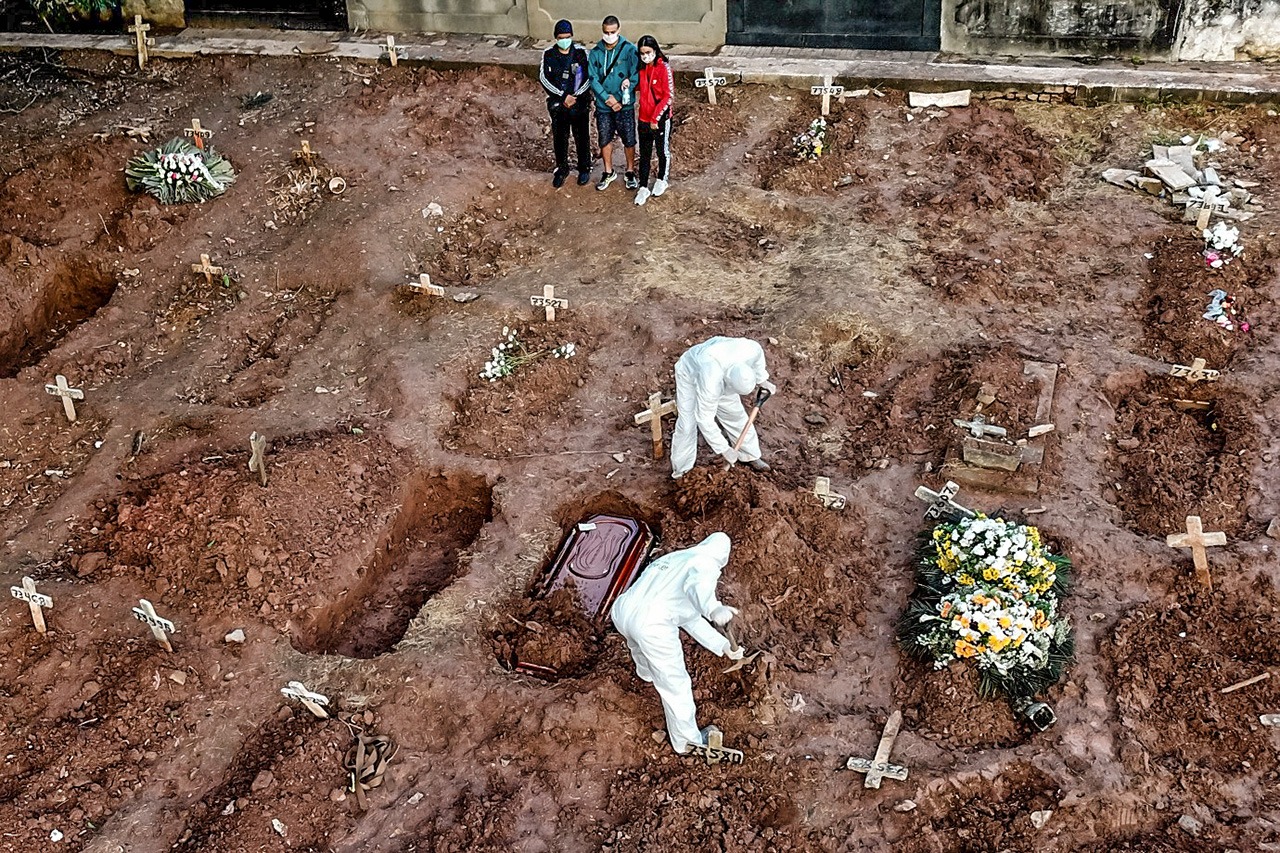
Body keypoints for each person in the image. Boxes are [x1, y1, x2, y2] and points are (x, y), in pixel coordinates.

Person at [610, 532, 743, 754]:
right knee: (675, 685)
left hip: (622, 611)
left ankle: (646, 674)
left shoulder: (674, 559)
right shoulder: (705, 563)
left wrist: (722, 646)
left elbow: (690, 619)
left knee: (639, 647)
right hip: (651, 624)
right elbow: (698, 587)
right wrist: (713, 608)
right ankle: (686, 742)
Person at [671, 336, 776, 480]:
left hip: (718, 368)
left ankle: (749, 455)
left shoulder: (750, 350)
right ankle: (682, 471)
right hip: (689, 372)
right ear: (727, 381)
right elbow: (704, 419)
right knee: (687, 424)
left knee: (735, 415)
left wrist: (762, 380)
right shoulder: (711, 380)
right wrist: (724, 449)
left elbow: (758, 359)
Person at [587, 15, 639, 192]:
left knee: (629, 139)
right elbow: (593, 79)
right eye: (606, 32)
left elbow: (635, 76)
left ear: (619, 30)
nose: (609, 36)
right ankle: (608, 171)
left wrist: (618, 98)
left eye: (612, 32)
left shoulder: (630, 51)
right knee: (604, 138)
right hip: (604, 106)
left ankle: (630, 171)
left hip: (624, 104)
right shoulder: (595, 52)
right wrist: (606, 98)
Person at [539, 20, 593, 188]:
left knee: (582, 136)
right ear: (556, 38)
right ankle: (562, 169)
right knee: (560, 137)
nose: (565, 40)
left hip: (579, 102)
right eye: (561, 37)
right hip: (559, 104)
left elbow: (588, 77)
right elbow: (544, 78)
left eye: (567, 37)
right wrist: (563, 96)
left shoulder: (581, 53)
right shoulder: (549, 54)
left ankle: (584, 168)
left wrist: (575, 96)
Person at [633, 35, 672, 206]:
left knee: (662, 151)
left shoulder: (664, 68)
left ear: (655, 50)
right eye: (642, 53)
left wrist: (656, 117)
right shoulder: (641, 68)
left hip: (659, 118)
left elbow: (668, 96)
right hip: (643, 117)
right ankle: (643, 186)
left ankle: (662, 178)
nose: (645, 56)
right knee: (644, 154)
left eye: (648, 52)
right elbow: (640, 87)